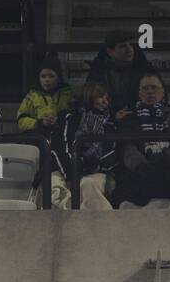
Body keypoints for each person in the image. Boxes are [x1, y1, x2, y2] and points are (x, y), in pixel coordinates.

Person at [111, 70, 170, 207]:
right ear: (139, 93)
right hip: (141, 171)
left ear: (163, 92)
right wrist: (141, 164)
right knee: (125, 180)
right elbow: (126, 148)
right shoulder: (129, 121)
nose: (150, 92)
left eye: (154, 87)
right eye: (145, 88)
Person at [47, 80, 118, 210]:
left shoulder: (110, 124)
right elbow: (60, 149)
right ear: (90, 96)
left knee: (88, 184)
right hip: (66, 170)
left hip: (95, 172)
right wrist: (72, 173)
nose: (105, 102)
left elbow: (110, 156)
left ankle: (101, 227)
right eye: (101, 97)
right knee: (52, 185)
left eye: (108, 98)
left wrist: (88, 166)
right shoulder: (69, 118)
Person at [87, 29, 153, 120]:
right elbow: (91, 101)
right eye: (122, 46)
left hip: (140, 120)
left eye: (130, 45)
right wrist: (113, 115)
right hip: (107, 122)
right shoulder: (99, 72)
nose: (129, 49)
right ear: (110, 52)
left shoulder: (144, 69)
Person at [17, 54, 72, 138]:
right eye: (43, 76)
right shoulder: (32, 96)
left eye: (51, 76)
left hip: (62, 137)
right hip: (39, 138)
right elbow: (21, 120)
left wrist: (60, 120)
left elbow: (74, 117)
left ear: (58, 78)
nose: (47, 80)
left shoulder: (67, 94)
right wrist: (39, 123)